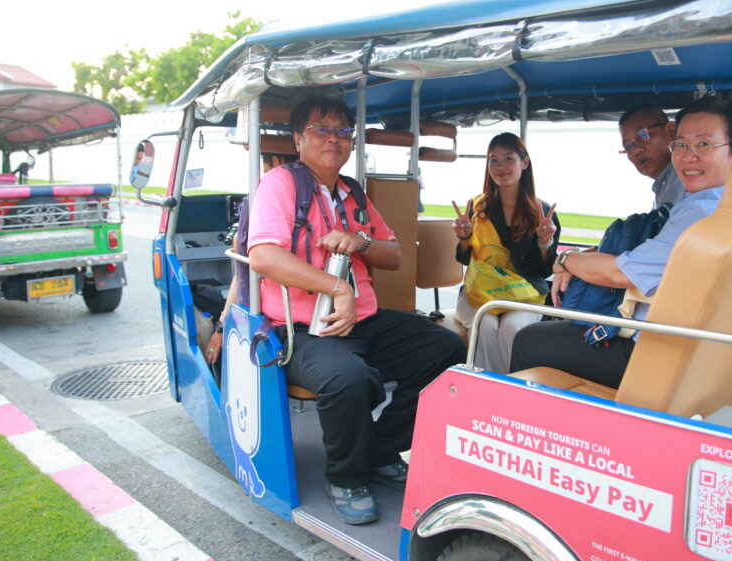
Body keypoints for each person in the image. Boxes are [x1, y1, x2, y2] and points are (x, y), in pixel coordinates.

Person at [247, 97, 465, 525]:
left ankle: (381, 449)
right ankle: (347, 477)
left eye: (343, 131)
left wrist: (359, 241)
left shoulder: (353, 193)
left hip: (366, 322)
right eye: (320, 129)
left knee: (445, 349)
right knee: (348, 378)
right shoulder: (281, 184)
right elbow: (263, 257)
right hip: (304, 330)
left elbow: (395, 256)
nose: (334, 138)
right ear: (297, 139)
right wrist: (335, 288)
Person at [510, 95, 732, 387]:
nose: (689, 155)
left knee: (528, 340)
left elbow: (620, 272)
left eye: (704, 144)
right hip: (698, 347)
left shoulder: (699, 211)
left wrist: (564, 259)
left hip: (656, 351)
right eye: (682, 144)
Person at [452, 133, 560, 374]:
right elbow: (464, 258)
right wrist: (464, 237)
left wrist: (544, 242)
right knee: (485, 324)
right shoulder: (477, 208)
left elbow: (544, 270)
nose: (500, 167)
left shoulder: (542, 212)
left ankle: (501, 394)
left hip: (525, 296)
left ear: (525, 162)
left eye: (508, 158)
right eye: (493, 160)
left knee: (512, 329)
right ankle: (491, 394)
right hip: (478, 294)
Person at [204, 152, 301, 376]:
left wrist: (221, 327)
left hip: (270, 324)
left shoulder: (260, 200)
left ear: (275, 162)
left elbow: (243, 277)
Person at [618, 104, 687, 208]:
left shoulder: (689, 178)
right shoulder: (663, 188)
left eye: (643, 135)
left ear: (671, 131)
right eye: (628, 146)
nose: (636, 150)